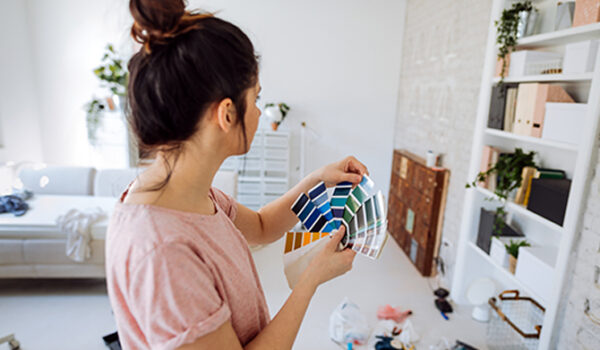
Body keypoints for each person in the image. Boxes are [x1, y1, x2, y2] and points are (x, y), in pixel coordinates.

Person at [105, 0, 368, 349]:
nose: (259, 113)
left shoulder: (187, 193)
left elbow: (261, 226)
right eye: (256, 98)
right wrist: (311, 278)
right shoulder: (164, 253)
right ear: (227, 114)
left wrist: (317, 181)